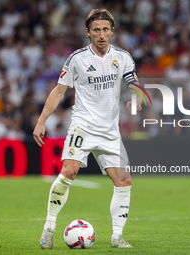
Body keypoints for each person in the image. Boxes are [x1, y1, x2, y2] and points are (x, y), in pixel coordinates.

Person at [33, 8, 142, 249]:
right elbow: (59, 91)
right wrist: (41, 121)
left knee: (124, 181)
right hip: (83, 126)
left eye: (105, 29)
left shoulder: (123, 57)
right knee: (69, 171)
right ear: (88, 32)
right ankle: (49, 227)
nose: (101, 34)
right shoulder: (77, 59)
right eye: (96, 30)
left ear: (112, 31)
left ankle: (117, 236)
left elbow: (134, 86)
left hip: (110, 132)